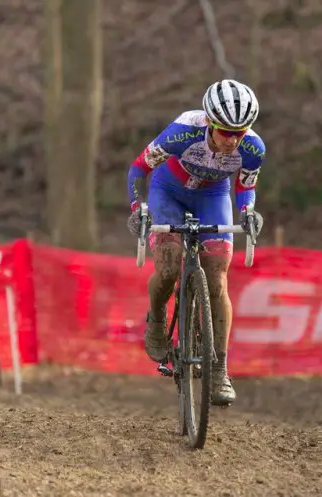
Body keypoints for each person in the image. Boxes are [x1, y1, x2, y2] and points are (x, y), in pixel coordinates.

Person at [126, 79, 265, 406]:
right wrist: (138, 209)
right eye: (225, 132)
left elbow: (245, 186)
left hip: (213, 195)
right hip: (168, 190)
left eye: (240, 133)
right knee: (170, 261)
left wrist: (248, 212)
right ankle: (158, 318)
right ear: (209, 122)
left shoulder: (253, 148)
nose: (233, 140)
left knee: (217, 275)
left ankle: (219, 369)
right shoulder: (182, 132)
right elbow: (138, 169)